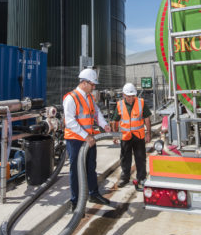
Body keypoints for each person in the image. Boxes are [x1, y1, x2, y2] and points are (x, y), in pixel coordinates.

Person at [63, 68, 111, 212]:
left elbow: (96, 112)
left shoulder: (89, 97)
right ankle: (75, 202)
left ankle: (93, 194)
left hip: (89, 139)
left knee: (91, 168)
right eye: (92, 84)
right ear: (84, 83)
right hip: (76, 141)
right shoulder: (71, 98)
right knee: (76, 171)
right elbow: (70, 122)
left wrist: (104, 125)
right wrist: (87, 136)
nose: (94, 87)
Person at [111, 83, 152, 191]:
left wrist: (148, 133)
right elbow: (115, 121)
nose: (130, 98)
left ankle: (141, 178)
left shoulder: (141, 103)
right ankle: (124, 178)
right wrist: (115, 135)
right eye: (128, 96)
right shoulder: (119, 105)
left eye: (132, 96)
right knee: (125, 158)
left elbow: (147, 118)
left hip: (138, 136)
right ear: (124, 95)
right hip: (125, 136)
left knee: (140, 158)